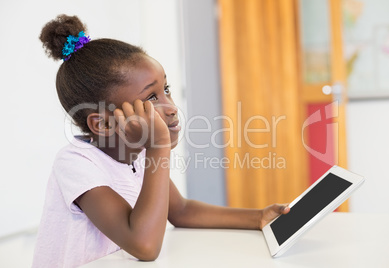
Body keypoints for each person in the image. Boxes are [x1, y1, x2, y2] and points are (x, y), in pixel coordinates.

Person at [32, 14, 290, 267]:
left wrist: (259, 217)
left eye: (165, 90)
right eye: (151, 98)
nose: (171, 107)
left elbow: (181, 211)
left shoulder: (139, 153)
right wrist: (157, 146)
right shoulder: (77, 163)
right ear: (103, 123)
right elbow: (144, 245)